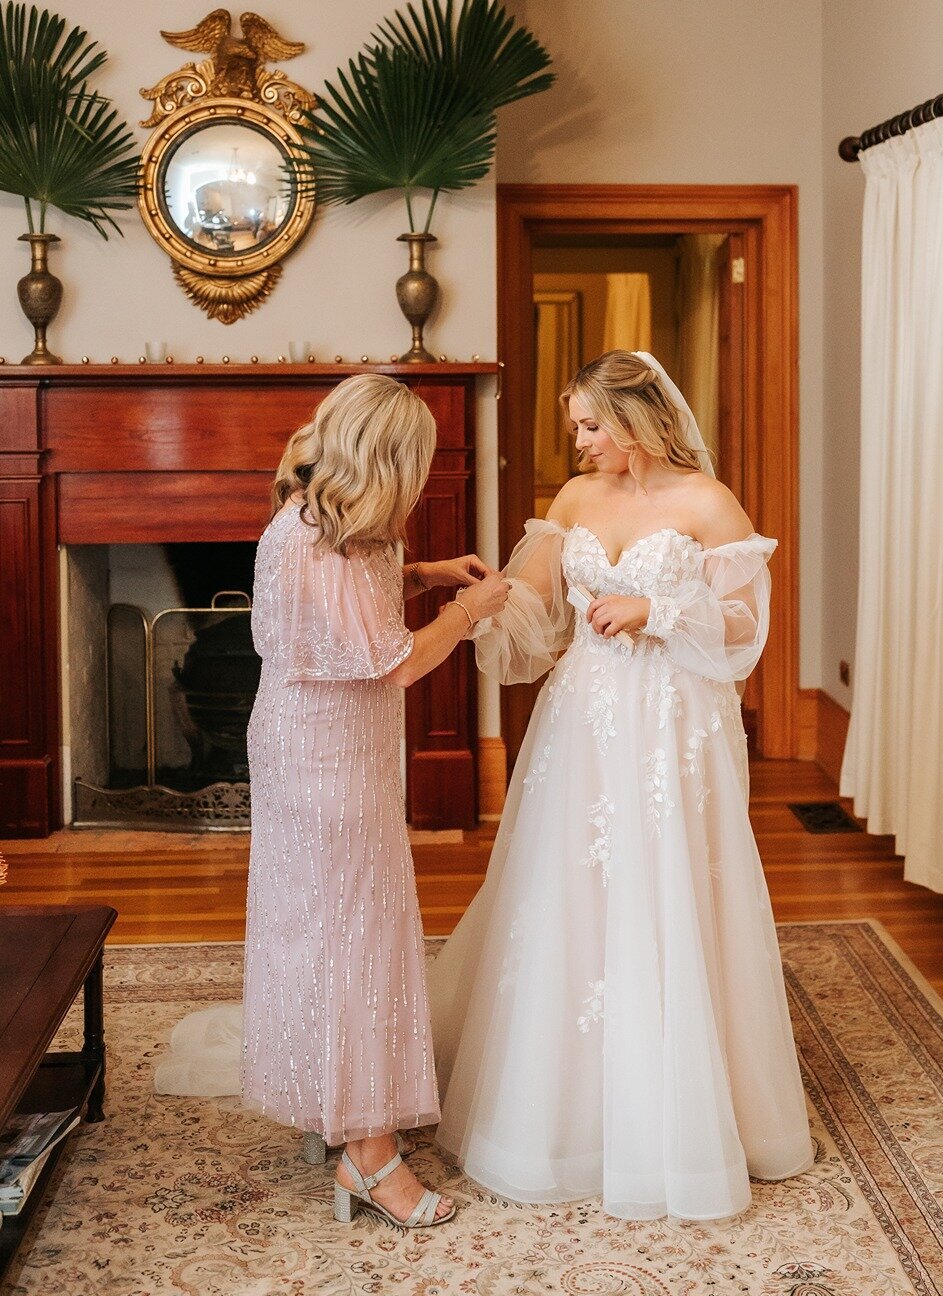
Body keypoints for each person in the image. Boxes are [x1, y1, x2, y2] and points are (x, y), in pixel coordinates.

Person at [428, 350, 814, 1221]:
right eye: (575, 424)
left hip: (675, 720)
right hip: (586, 716)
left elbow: (748, 627)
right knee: (571, 893)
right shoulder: (572, 501)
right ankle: (559, 1104)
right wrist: (486, 600)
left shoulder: (708, 505)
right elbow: (536, 603)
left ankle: (688, 1111)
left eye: (589, 424)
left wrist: (660, 611)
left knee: (672, 887)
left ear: (636, 422)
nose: (578, 440)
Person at [155, 373, 510, 1232]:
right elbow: (393, 662)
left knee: (324, 926)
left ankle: (339, 1103)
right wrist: (468, 608)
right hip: (329, 764)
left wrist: (422, 572)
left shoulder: (317, 509)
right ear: (387, 459)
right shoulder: (327, 541)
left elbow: (350, 607)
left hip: (308, 739)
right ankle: (370, 1155)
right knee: (354, 936)